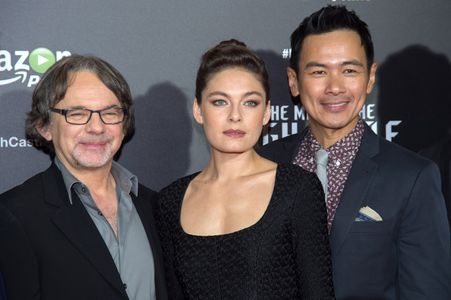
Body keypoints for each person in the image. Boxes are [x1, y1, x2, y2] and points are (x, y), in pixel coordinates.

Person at [259, 5, 451, 299]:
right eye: (319, 71)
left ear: (370, 77)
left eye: (349, 71)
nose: (335, 87)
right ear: (294, 82)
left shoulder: (412, 178)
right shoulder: (263, 164)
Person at [155, 39, 335, 299]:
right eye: (220, 102)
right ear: (198, 110)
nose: (235, 116)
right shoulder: (170, 202)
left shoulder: (297, 189)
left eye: (250, 102)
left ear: (266, 113)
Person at [0, 55, 170, 300]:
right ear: (44, 126)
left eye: (110, 113)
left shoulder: (156, 206)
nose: (97, 127)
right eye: (78, 114)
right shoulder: (14, 214)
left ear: (124, 124)